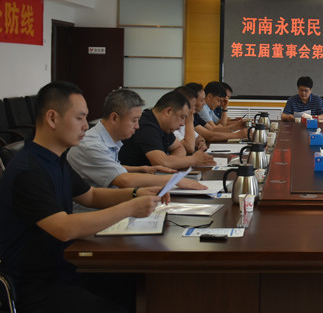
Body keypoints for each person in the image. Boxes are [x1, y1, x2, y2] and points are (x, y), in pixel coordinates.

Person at [0, 81, 166, 313]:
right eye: (80, 118)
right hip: (36, 286)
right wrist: (130, 208)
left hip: (67, 266)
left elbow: (91, 195)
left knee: (145, 283)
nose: (86, 126)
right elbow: (64, 228)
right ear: (52, 118)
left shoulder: (56, 159)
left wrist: (136, 193)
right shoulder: (28, 170)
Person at [67, 88, 205, 191]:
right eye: (134, 120)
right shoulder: (91, 145)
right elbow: (123, 180)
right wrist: (173, 180)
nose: (137, 126)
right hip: (93, 212)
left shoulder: (109, 139)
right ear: (114, 118)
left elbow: (112, 168)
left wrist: (142, 169)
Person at [118, 90, 215, 169]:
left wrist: (171, 162)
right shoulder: (146, 126)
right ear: (168, 111)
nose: (182, 123)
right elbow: (162, 163)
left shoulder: (164, 126)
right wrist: (193, 160)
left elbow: (179, 148)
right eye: (182, 117)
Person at [173, 85, 207, 154]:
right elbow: (189, 148)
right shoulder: (172, 125)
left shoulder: (183, 120)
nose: (193, 111)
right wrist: (189, 122)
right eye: (192, 107)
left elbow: (199, 137)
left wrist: (201, 142)